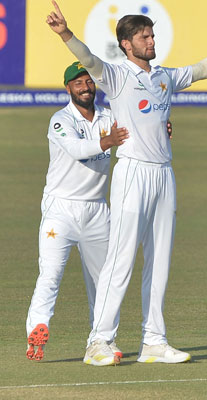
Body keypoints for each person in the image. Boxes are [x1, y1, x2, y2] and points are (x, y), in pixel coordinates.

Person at [46, 0, 207, 366]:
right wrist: (66, 34)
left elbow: (203, 70)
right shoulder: (115, 76)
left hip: (164, 173)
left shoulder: (163, 76)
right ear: (127, 44)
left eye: (151, 34)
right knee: (121, 258)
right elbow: (89, 61)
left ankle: (154, 342)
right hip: (132, 172)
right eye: (143, 36)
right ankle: (98, 341)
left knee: (160, 260)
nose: (151, 40)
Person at [26, 61, 129, 362]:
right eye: (78, 83)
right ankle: (38, 330)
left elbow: (136, 128)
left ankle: (102, 341)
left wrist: (162, 128)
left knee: (105, 280)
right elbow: (77, 150)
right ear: (68, 88)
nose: (86, 87)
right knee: (51, 273)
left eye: (89, 81)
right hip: (61, 210)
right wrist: (109, 141)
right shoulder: (60, 120)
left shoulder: (110, 116)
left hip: (97, 210)